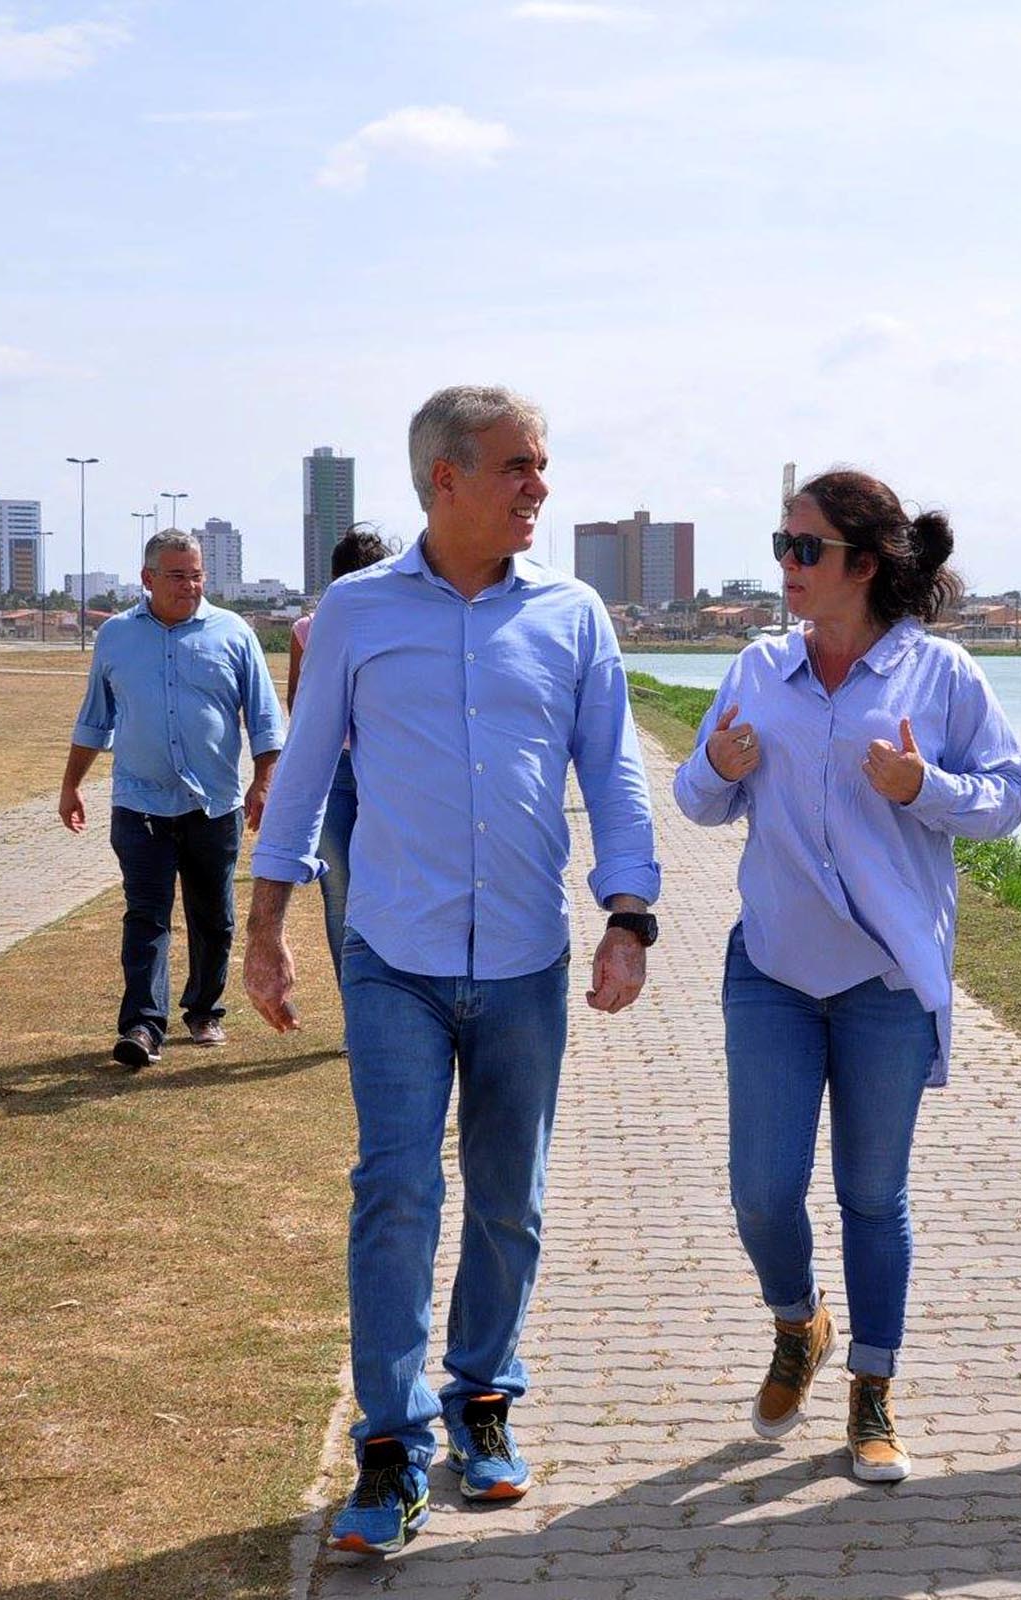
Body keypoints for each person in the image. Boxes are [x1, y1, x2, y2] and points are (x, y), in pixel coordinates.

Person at [243, 385, 660, 1556]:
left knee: (509, 1194)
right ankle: (391, 1441)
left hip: (526, 954)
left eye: (542, 466)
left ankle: (484, 1398)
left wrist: (631, 915)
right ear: (447, 479)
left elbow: (615, 775)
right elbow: (308, 772)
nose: (540, 487)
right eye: (520, 467)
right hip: (394, 956)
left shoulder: (574, 615)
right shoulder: (356, 615)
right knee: (395, 1189)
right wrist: (267, 927)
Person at [674, 469, 1021, 1483]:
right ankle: (799, 1321)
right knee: (760, 1190)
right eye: (782, 545)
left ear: (863, 566)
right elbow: (696, 800)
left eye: (805, 550)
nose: (786, 566)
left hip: (883, 983)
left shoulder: (942, 677)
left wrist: (928, 787)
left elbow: (1007, 798)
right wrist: (722, 767)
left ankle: (872, 1392)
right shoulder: (756, 668)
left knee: (873, 1194)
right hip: (774, 970)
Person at [59, 529, 285, 1068]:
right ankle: (142, 1025)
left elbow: (264, 718)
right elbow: (96, 718)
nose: (190, 585)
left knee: (214, 918)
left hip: (215, 805)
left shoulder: (233, 632)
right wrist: (70, 784)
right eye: (178, 575)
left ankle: (204, 1008)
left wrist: (263, 781)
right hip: (140, 805)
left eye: (197, 574)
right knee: (146, 916)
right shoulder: (115, 637)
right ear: (148, 578)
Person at [286, 524, 394, 978]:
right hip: (335, 773)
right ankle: (357, 1010)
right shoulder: (308, 630)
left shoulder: (400, 627)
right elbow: (297, 700)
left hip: (386, 771)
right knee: (339, 890)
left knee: (386, 887)